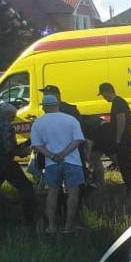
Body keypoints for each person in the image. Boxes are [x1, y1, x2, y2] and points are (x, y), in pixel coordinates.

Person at [29, 94, 84, 234]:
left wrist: (52, 155)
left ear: (44, 107)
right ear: (57, 104)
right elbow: (78, 140)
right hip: (72, 161)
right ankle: (68, 226)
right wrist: (64, 154)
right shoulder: (71, 120)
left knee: (52, 193)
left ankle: (51, 226)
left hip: (51, 163)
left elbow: (36, 145)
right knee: (73, 193)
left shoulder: (38, 123)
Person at [0, 103, 37, 232]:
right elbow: (9, 148)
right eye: (13, 116)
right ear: (7, 115)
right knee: (26, 187)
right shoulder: (6, 126)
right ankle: (29, 220)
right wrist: (23, 152)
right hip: (4, 162)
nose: (13, 119)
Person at [97, 82, 131, 195]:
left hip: (124, 139)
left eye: (103, 95)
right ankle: (130, 187)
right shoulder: (119, 102)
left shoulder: (117, 103)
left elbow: (121, 120)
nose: (104, 98)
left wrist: (118, 139)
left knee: (124, 165)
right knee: (125, 164)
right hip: (125, 138)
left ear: (106, 92)